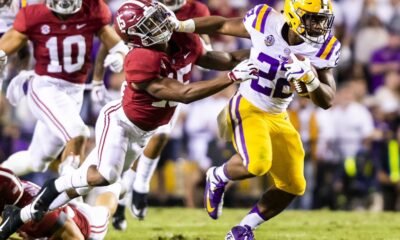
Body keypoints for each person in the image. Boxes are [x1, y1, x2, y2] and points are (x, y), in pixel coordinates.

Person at [0, 1, 258, 238]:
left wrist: (260, 53)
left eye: (157, 18)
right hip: (121, 124)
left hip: (145, 130)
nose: (159, 26)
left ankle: (23, 214)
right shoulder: (140, 58)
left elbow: (223, 59)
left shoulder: (184, 38)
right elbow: (184, 94)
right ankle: (40, 200)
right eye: (149, 25)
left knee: (108, 181)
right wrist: (232, 78)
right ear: (137, 37)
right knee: (104, 175)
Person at [170, 0, 340, 238]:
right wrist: (180, 25)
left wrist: (311, 80)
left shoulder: (324, 48)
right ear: (293, 16)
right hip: (248, 105)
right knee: (258, 164)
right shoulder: (265, 20)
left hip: (279, 115)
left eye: (322, 20)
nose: (319, 27)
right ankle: (218, 176)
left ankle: (243, 229)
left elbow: (328, 100)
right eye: (313, 19)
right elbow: (221, 25)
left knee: (294, 184)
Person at [0, 0, 129, 177]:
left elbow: (116, 43)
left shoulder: (92, 9)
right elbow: (7, 44)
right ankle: (67, 195)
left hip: (75, 90)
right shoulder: (34, 14)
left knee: (37, 161)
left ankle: (2, 179)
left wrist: (120, 55)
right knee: (78, 133)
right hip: (46, 86)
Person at [116, 0, 213, 226]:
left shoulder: (195, 10)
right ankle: (121, 199)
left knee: (159, 135)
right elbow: (128, 39)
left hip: (175, 81)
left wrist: (203, 49)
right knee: (130, 146)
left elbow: (206, 48)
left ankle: (140, 186)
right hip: (148, 81)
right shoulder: (144, 8)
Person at [0, 167, 110, 240]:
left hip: (88, 224)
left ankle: (117, 187)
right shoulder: (13, 194)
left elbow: (76, 238)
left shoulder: (36, 216)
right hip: (64, 209)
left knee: (105, 210)